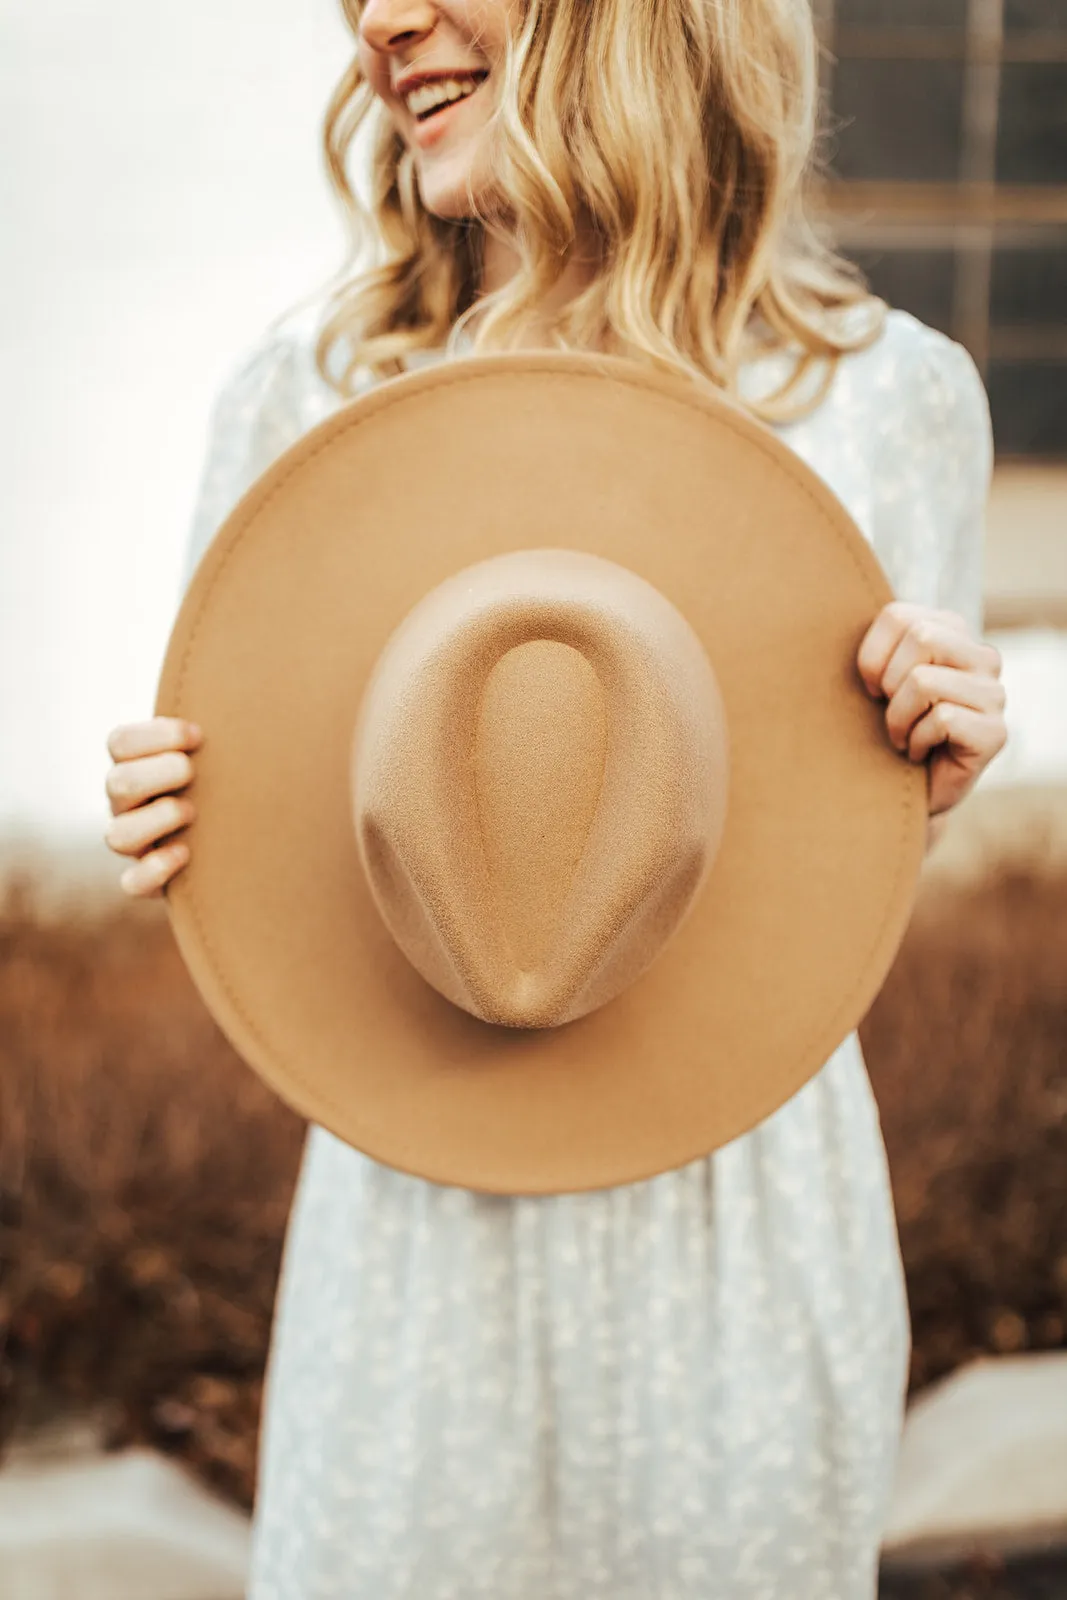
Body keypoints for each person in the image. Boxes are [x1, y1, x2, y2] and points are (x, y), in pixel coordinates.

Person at [104, 2, 1009, 1595]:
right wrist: (185, 824)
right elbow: (293, 863)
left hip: (745, 1227)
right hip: (413, 1219)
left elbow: (792, 890)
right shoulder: (306, 401)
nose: (381, 19)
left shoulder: (886, 404)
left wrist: (920, 773)